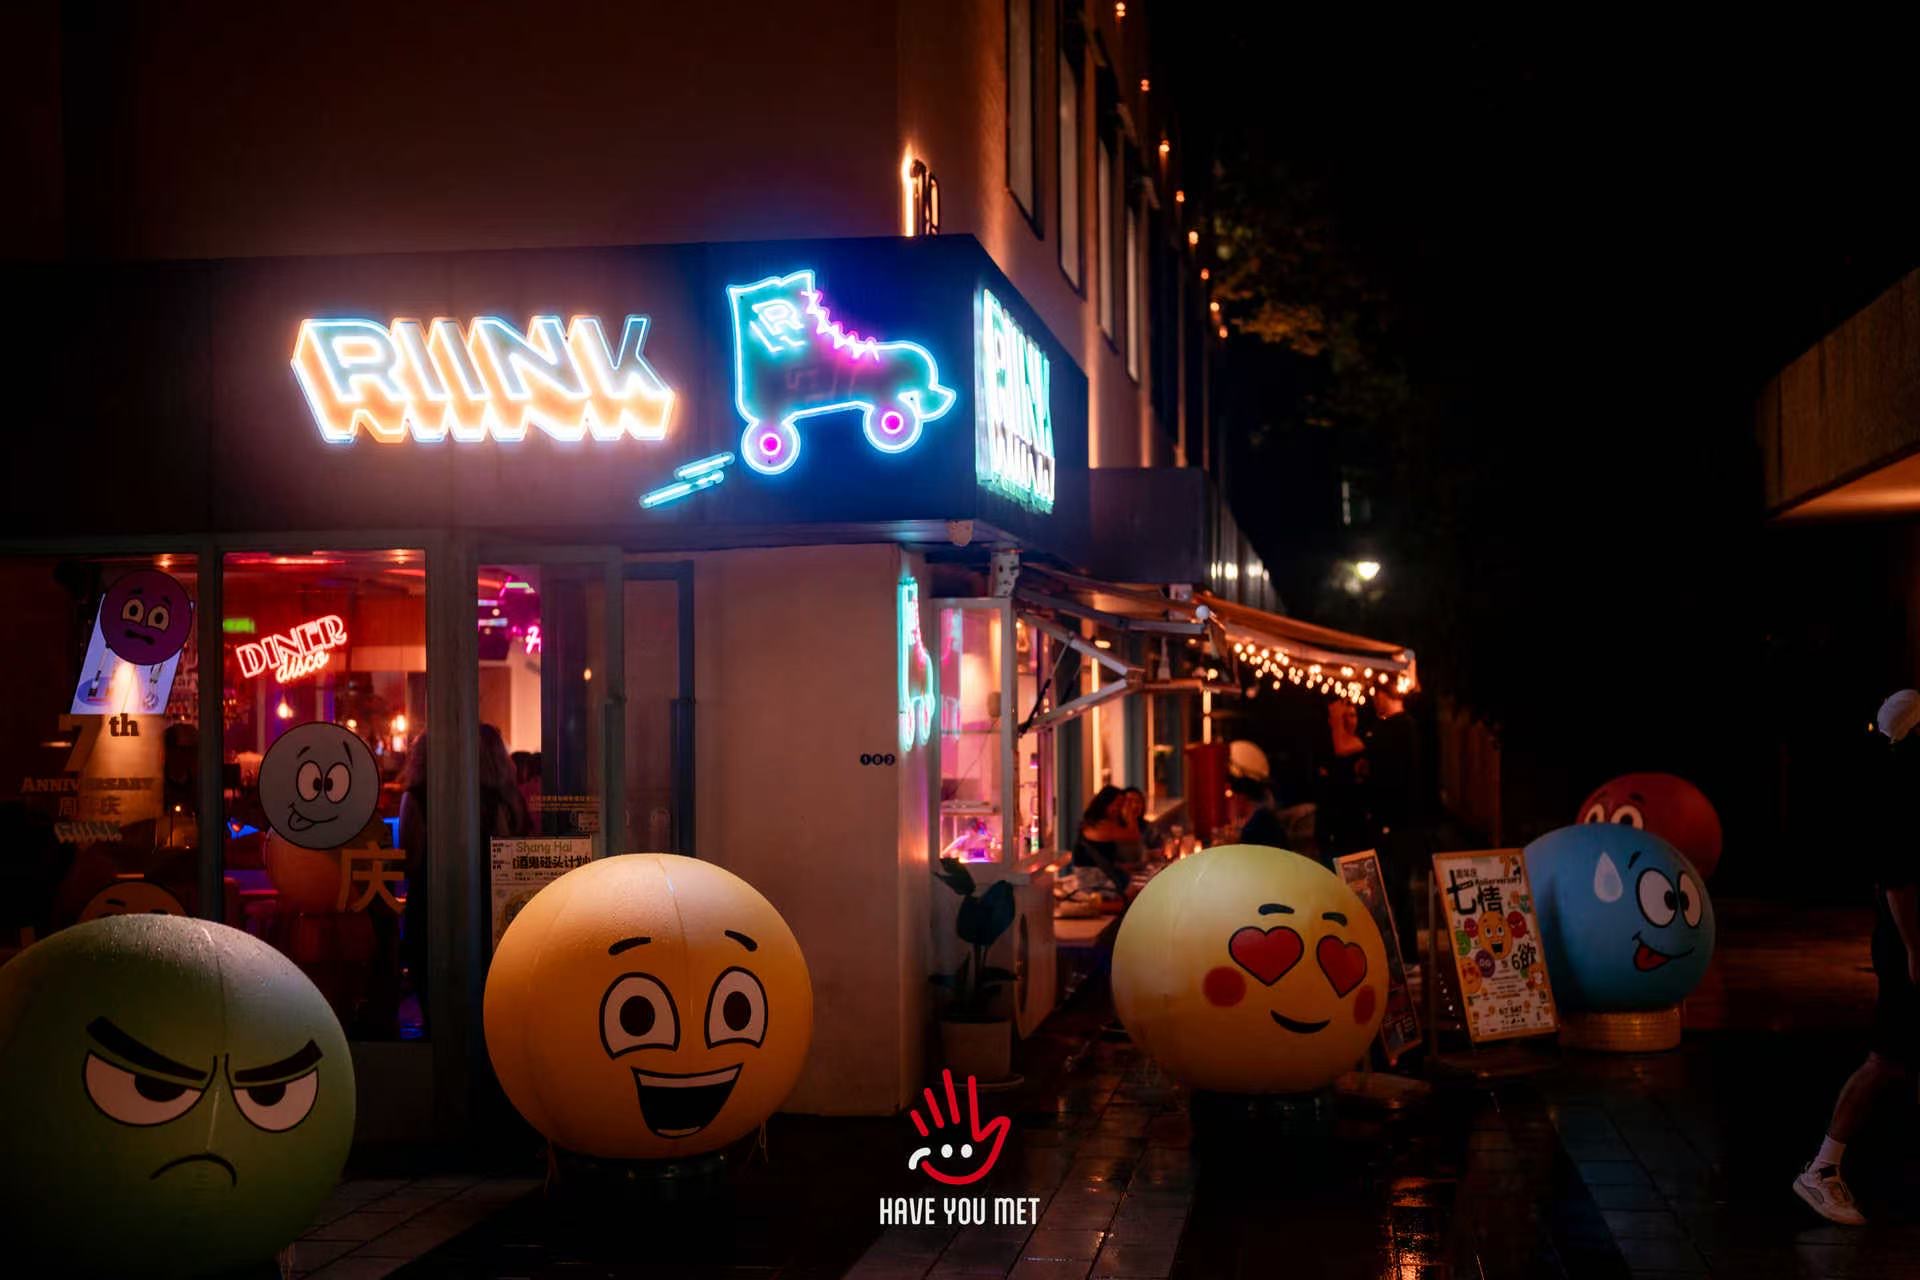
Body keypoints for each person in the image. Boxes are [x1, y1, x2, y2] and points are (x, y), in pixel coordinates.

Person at [1793, 689, 1920, 1225]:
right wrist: (1916, 950)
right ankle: (1822, 1169)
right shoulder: (1904, 792)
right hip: (1906, 945)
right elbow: (1898, 882)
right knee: (1886, 1058)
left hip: (1906, 942)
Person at [397, 725, 531, 1030]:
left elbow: (410, 859)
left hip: (431, 907)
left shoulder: (419, 797)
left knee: (436, 1006)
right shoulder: (506, 800)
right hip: (492, 910)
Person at [1071, 786, 1130, 893]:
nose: (1120, 809)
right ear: (1105, 804)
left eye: (1122, 805)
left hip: (1102, 877)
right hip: (1094, 882)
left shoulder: (1101, 822)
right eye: (1118, 805)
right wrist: (1130, 812)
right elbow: (1133, 835)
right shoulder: (1098, 825)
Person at [1228, 774, 1288, 849]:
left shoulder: (1260, 823)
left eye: (1233, 798)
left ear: (1241, 798)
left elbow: (1245, 849)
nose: (1232, 803)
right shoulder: (1261, 817)